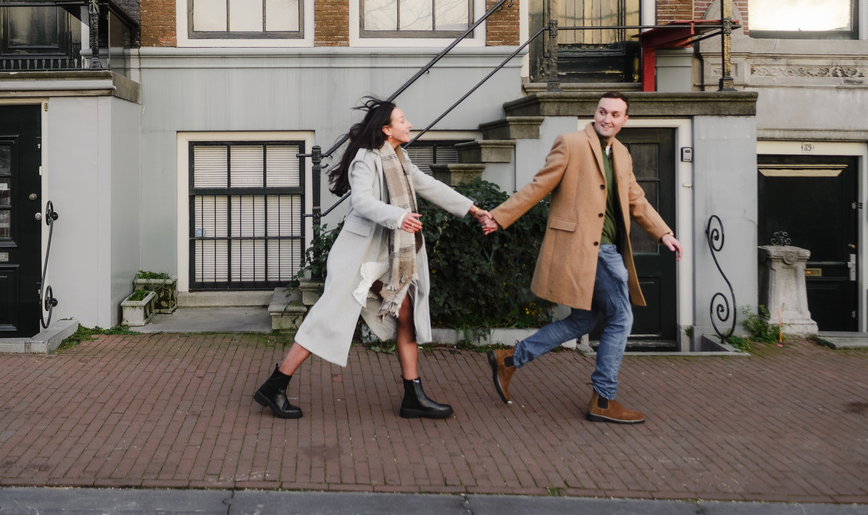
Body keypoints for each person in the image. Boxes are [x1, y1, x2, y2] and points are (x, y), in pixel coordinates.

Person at [254, 97, 495, 420]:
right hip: (360, 256)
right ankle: (275, 385)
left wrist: (474, 209)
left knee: (405, 312)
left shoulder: (400, 158)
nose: (409, 124)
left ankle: (413, 395)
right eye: (403, 120)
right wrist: (399, 216)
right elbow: (363, 202)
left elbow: (432, 186)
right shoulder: (366, 160)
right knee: (327, 320)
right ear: (386, 129)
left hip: (388, 257)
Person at [477, 92, 683, 424]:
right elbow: (539, 186)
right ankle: (603, 398)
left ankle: (510, 359)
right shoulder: (570, 144)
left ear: (624, 120)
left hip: (608, 250)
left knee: (582, 321)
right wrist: (500, 216)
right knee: (620, 319)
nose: (608, 118)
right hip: (590, 250)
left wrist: (664, 233)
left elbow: (636, 199)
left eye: (616, 114)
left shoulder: (623, 153)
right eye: (603, 111)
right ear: (595, 112)